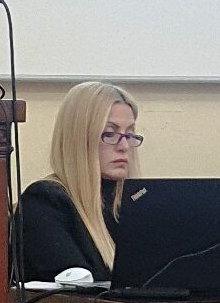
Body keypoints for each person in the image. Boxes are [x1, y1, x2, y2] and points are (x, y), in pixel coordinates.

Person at [13, 81, 143, 282]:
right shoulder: (44, 202)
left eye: (130, 134)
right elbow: (76, 291)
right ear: (79, 138)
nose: (124, 146)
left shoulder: (135, 203)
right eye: (110, 134)